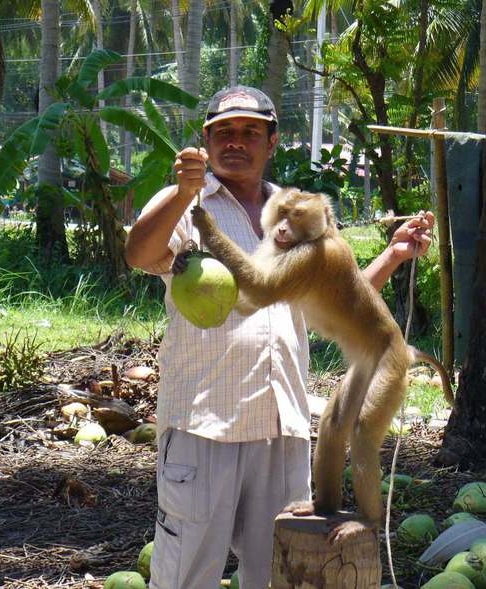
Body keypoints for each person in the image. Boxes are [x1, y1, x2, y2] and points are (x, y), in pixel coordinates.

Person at [124, 85, 435, 589]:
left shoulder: (295, 216)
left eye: (250, 131)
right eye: (223, 132)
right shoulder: (186, 202)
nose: (235, 142)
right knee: (187, 577)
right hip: (207, 424)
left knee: (281, 576)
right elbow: (139, 254)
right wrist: (183, 193)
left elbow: (343, 298)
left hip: (283, 425)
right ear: (205, 140)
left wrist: (395, 255)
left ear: (271, 142)